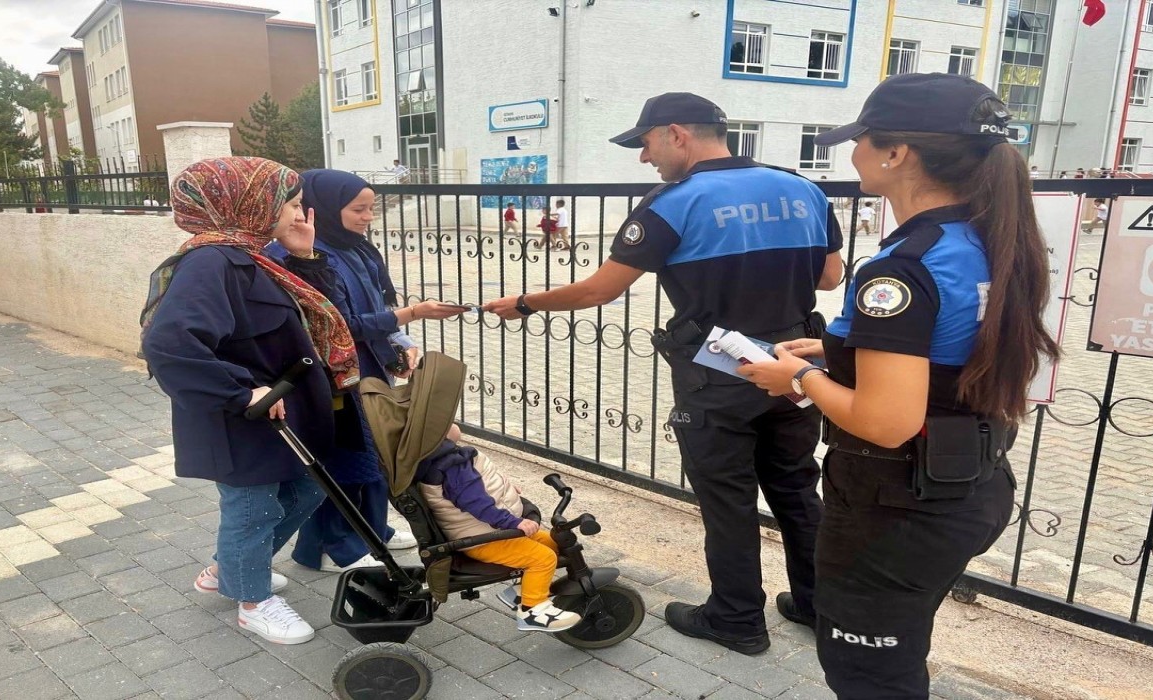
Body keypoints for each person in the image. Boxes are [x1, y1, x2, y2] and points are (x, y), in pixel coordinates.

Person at [482, 92, 844, 656]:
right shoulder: (803, 188)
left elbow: (601, 290)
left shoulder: (674, 203)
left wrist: (526, 302)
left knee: (727, 499)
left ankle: (737, 620)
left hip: (720, 371)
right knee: (797, 489)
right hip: (795, 366)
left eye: (645, 143)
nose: (644, 158)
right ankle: (819, 608)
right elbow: (828, 277)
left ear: (677, 133)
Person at [738, 73, 1059, 699]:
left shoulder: (902, 266)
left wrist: (798, 376)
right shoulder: (990, 240)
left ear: (896, 153)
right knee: (898, 648)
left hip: (898, 506)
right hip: (968, 484)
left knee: (869, 676)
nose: (852, 152)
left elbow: (887, 421)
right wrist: (838, 350)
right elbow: (942, 359)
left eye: (860, 139)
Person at [140, 156, 363, 645]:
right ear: (248, 204)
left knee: (309, 489)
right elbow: (169, 344)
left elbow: (318, 316)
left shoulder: (250, 255)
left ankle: (232, 568)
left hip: (281, 416)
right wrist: (239, 390)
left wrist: (304, 256)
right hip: (244, 419)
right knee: (252, 509)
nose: (301, 215)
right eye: (292, 205)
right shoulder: (210, 262)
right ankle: (252, 600)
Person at [273, 169, 465, 573]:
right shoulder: (304, 254)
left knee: (377, 452)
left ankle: (372, 529)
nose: (367, 217)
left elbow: (379, 302)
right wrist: (413, 313)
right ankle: (333, 548)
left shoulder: (356, 248)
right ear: (321, 208)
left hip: (371, 366)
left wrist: (401, 341)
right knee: (348, 459)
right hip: (335, 375)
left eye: (370, 208)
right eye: (358, 209)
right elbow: (341, 323)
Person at [417, 423, 581, 632]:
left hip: (486, 530)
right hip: (484, 537)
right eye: (448, 422)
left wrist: (505, 490)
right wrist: (515, 522)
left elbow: (478, 489)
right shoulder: (451, 466)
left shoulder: (443, 459)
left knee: (550, 543)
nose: (454, 424)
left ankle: (521, 592)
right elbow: (477, 504)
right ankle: (533, 610)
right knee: (543, 558)